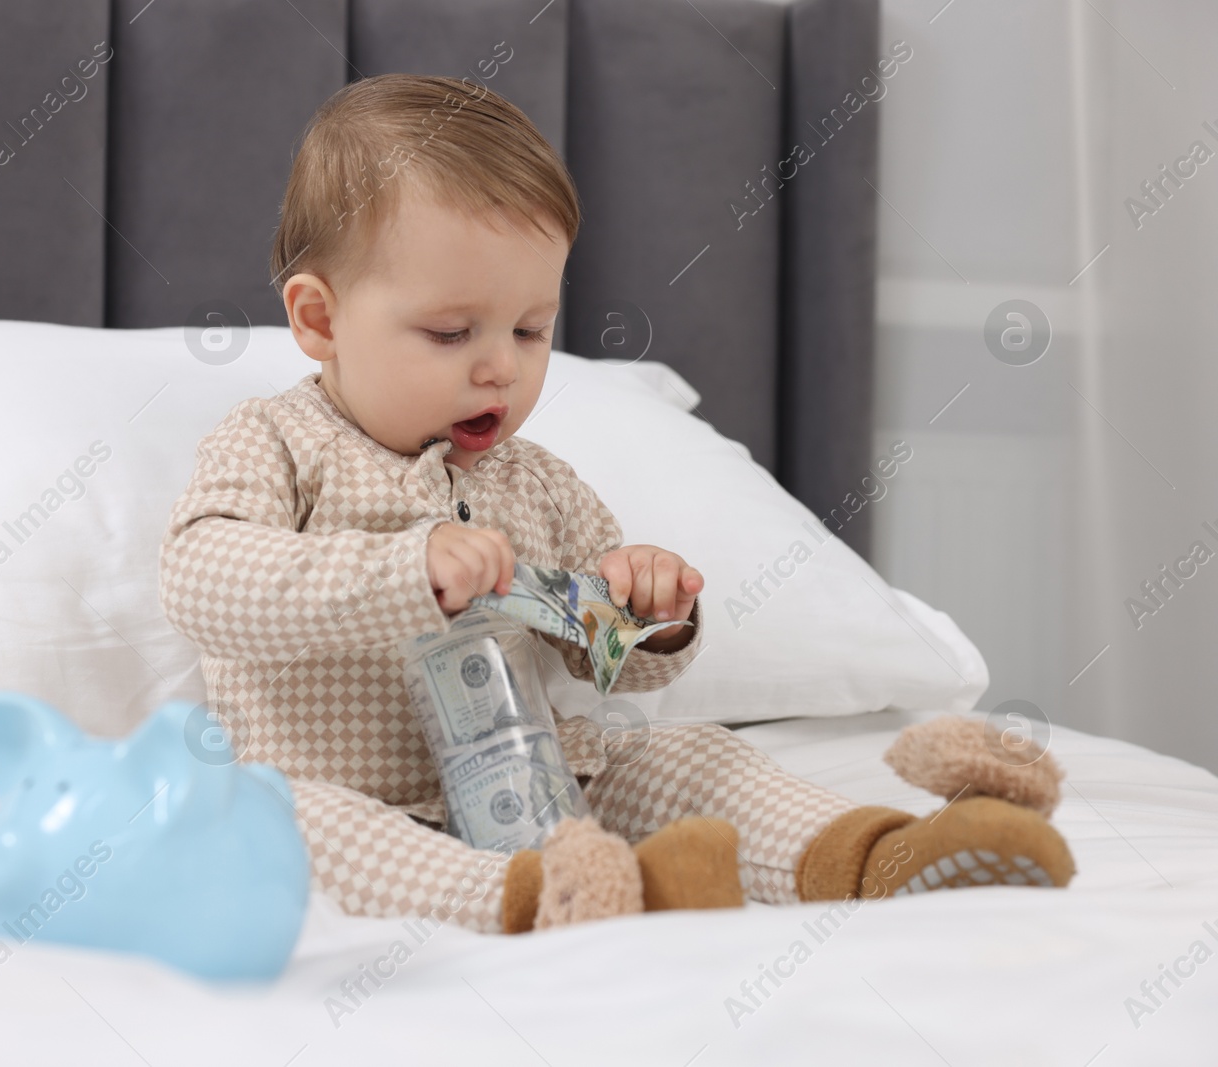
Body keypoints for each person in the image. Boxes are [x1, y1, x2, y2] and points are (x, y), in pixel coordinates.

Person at [159, 73, 1073, 935]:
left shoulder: (537, 481)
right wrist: (407, 569)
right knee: (284, 822)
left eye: (530, 329)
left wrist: (645, 610)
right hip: (349, 792)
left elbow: (608, 662)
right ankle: (541, 900)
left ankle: (873, 856)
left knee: (687, 755)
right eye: (450, 331)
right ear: (319, 320)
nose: (502, 366)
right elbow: (205, 577)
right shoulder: (276, 442)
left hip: (547, 786)